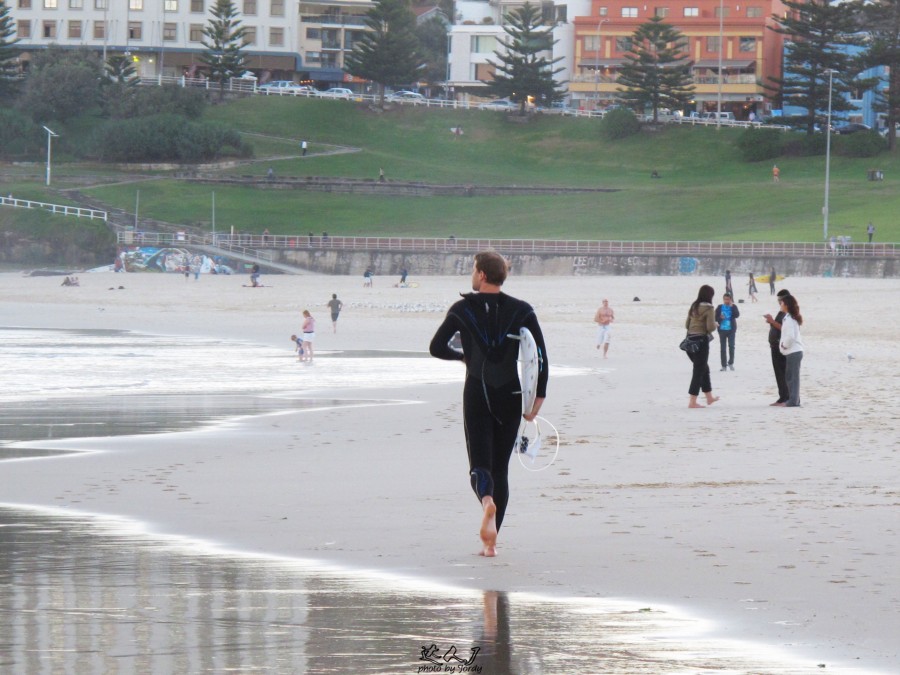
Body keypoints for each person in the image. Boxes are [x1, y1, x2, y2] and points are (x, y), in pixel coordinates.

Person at [429, 251, 549, 557]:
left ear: (481, 275)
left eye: (473, 269)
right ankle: (492, 543)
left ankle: (486, 503)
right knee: (501, 471)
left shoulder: (462, 309)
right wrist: (538, 398)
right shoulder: (522, 310)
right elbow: (541, 357)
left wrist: (462, 356)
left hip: (476, 393)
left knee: (480, 465)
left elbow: (436, 347)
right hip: (510, 394)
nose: (472, 273)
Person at [684, 284, 719, 409]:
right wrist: (716, 323)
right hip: (701, 342)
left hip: (690, 342)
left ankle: (709, 397)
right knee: (698, 371)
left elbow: (687, 325)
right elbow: (710, 327)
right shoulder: (709, 309)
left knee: (704, 368)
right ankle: (692, 402)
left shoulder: (694, 306)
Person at [763, 289, 791, 406]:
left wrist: (772, 321)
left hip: (781, 346)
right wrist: (771, 321)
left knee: (782, 373)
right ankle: (782, 397)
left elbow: (783, 328)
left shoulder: (788, 313)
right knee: (778, 373)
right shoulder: (783, 311)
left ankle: (785, 398)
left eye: (780, 300)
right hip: (775, 345)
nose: (779, 302)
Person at [779, 294, 804, 407]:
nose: (781, 305)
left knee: (793, 377)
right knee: (790, 376)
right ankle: (794, 399)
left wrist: (784, 345)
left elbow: (790, 336)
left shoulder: (789, 319)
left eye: (782, 303)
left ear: (787, 305)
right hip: (793, 351)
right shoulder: (790, 317)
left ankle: (793, 401)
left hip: (793, 351)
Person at [715, 292, 740, 371]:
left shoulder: (733, 306)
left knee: (731, 346)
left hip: (731, 330)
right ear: (723, 299)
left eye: (728, 299)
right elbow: (715, 318)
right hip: (722, 330)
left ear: (730, 299)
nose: (726, 301)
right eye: (725, 299)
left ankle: (731, 363)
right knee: (723, 348)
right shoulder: (719, 307)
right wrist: (720, 318)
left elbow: (737, 315)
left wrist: (732, 307)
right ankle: (723, 365)